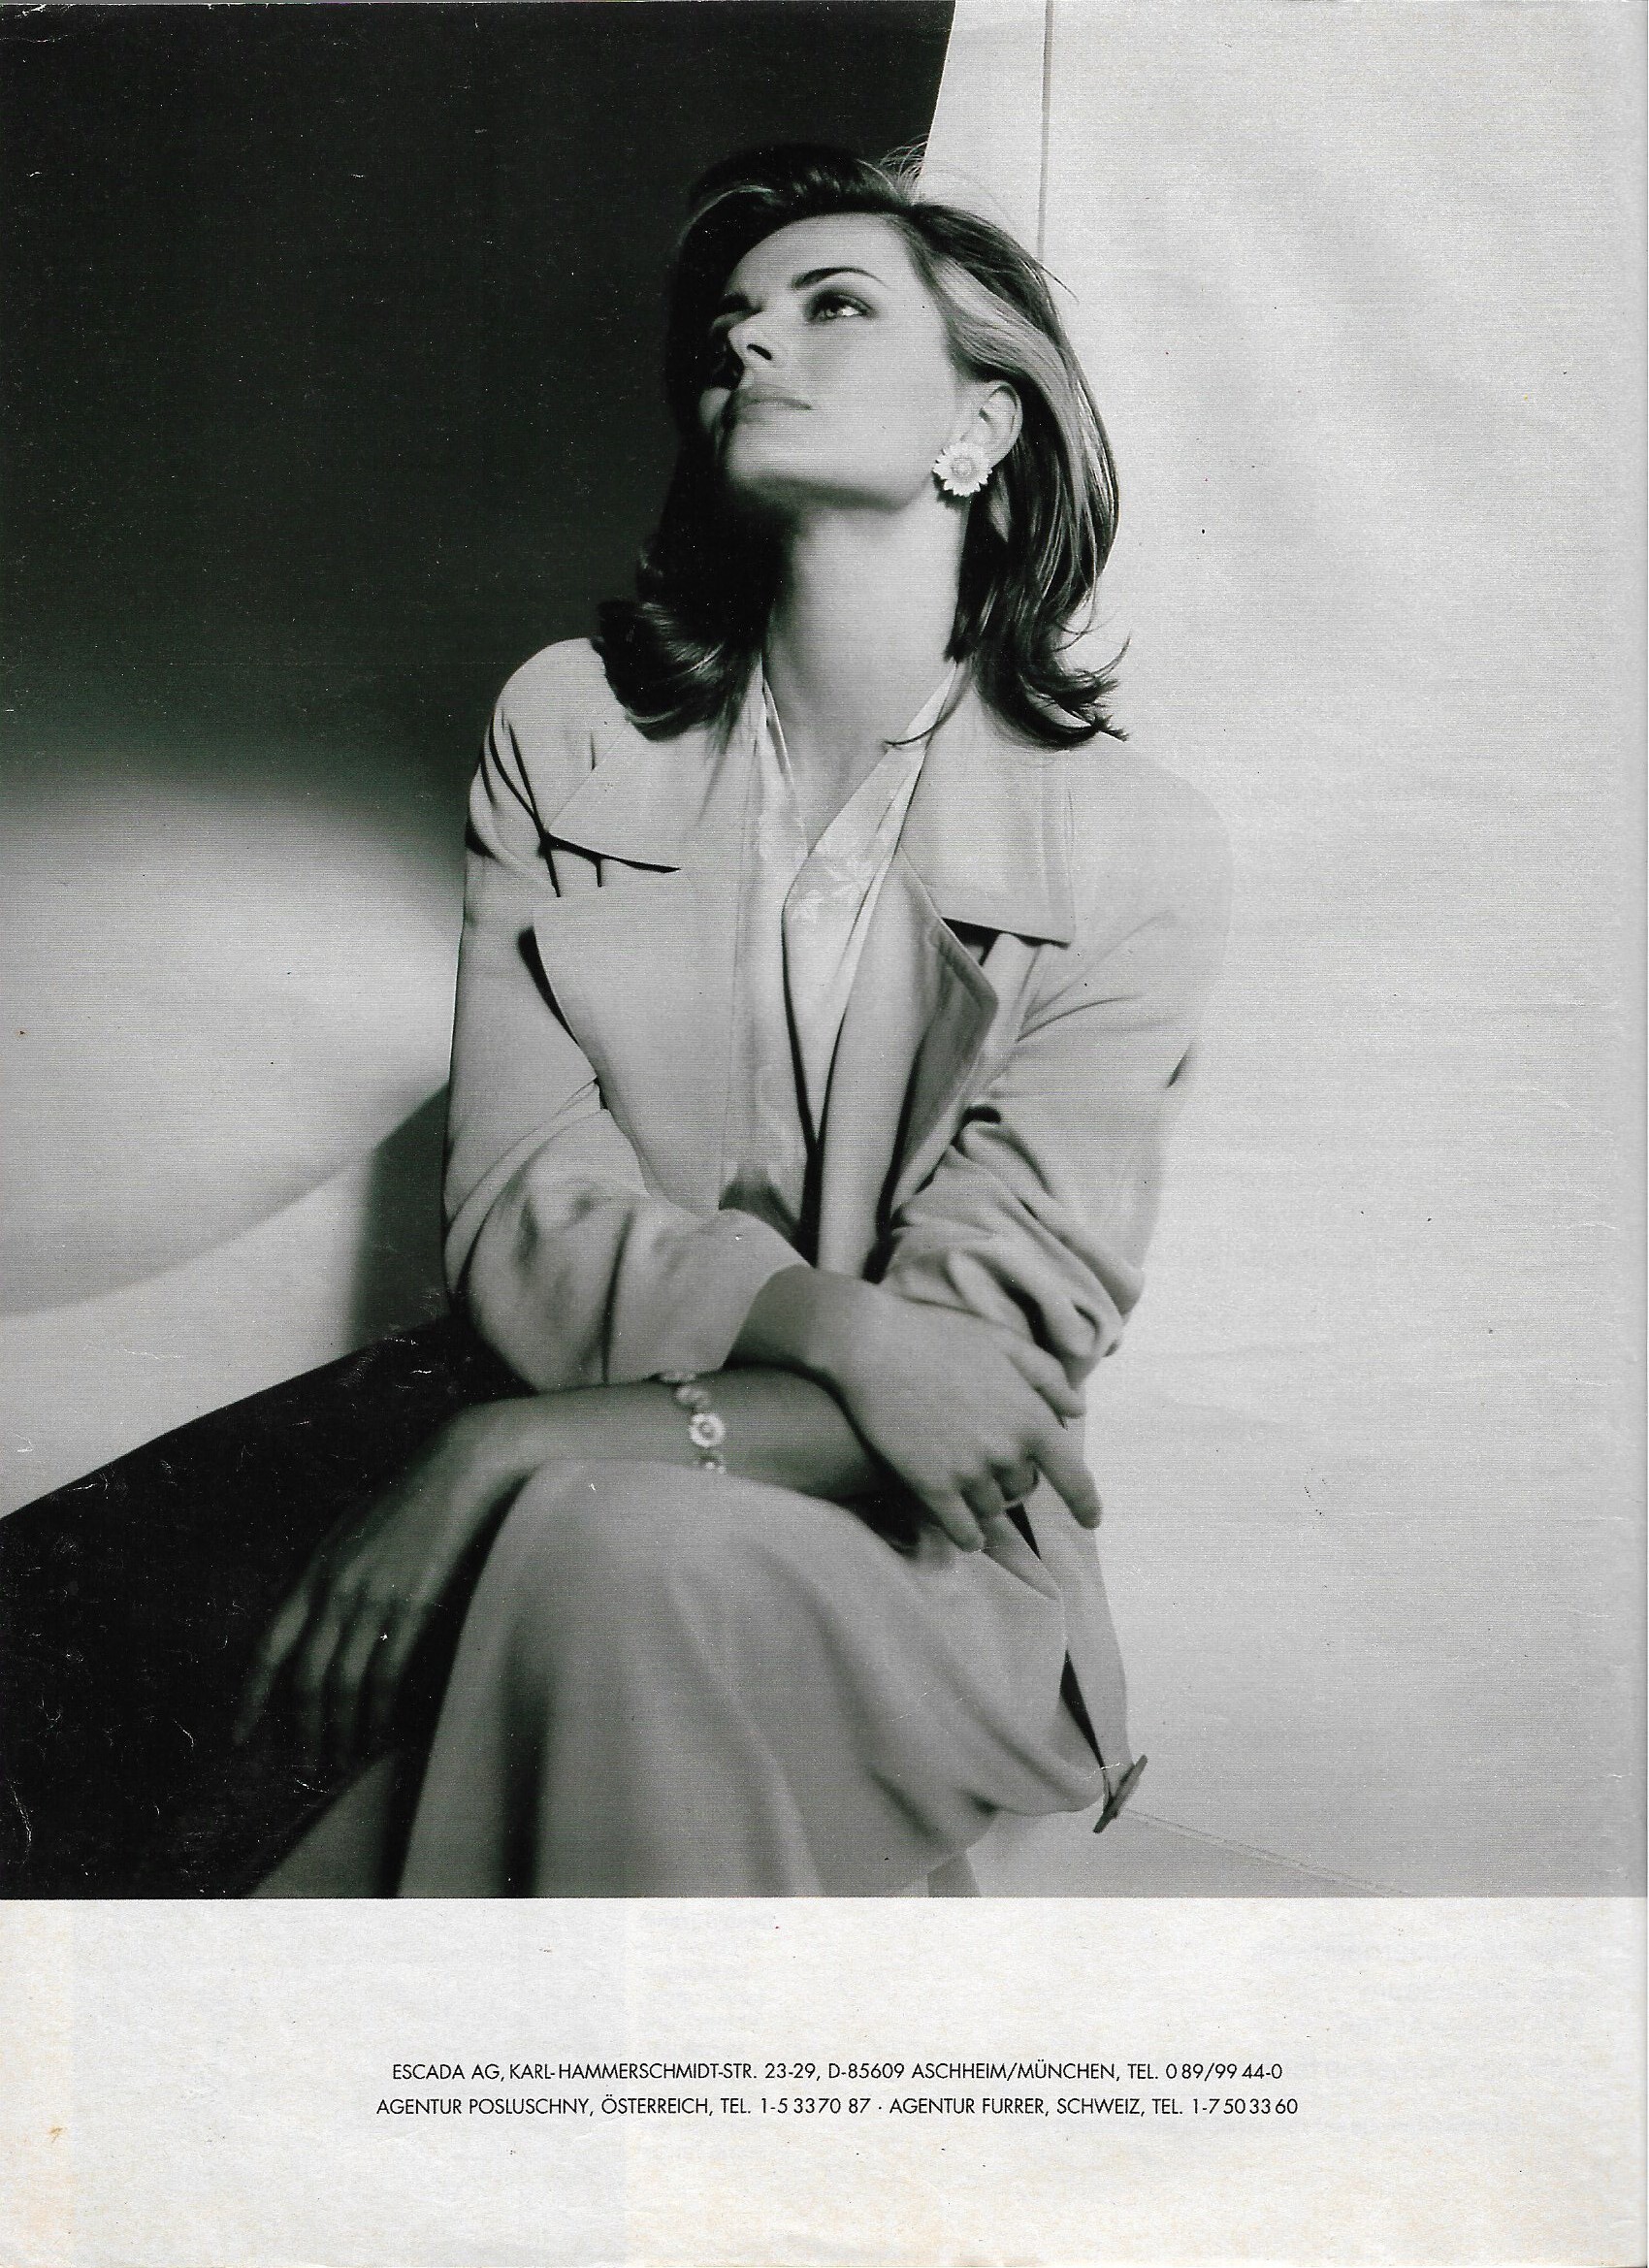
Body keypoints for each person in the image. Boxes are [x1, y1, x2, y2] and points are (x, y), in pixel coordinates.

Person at [0, 146, 1228, 1898]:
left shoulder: (1130, 843)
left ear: (982, 426)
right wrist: (823, 1321)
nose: (751, 342)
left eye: (832, 306)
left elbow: (976, 1387)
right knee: (71, 1653)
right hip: (564, 1407)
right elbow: (520, 1201)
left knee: (610, 1548)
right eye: (731, 323)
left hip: (918, 1551)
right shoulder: (568, 732)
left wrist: (524, 1444)